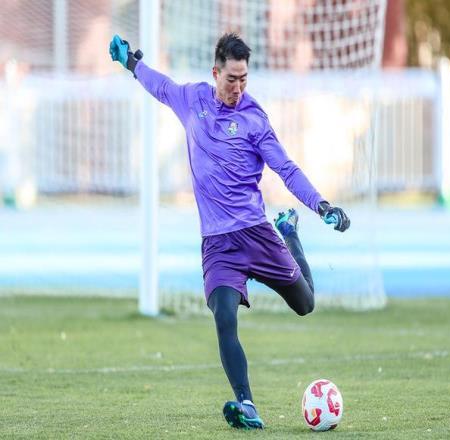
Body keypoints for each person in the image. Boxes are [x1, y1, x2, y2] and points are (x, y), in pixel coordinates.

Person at [109, 33, 350, 430]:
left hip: (256, 234)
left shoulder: (255, 119)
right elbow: (161, 86)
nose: (238, 87)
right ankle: (247, 405)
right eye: (231, 79)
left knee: (305, 305)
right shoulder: (193, 100)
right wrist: (132, 64)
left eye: (244, 79)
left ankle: (289, 233)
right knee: (223, 315)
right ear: (215, 73)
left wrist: (321, 205)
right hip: (218, 244)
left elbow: (286, 169)